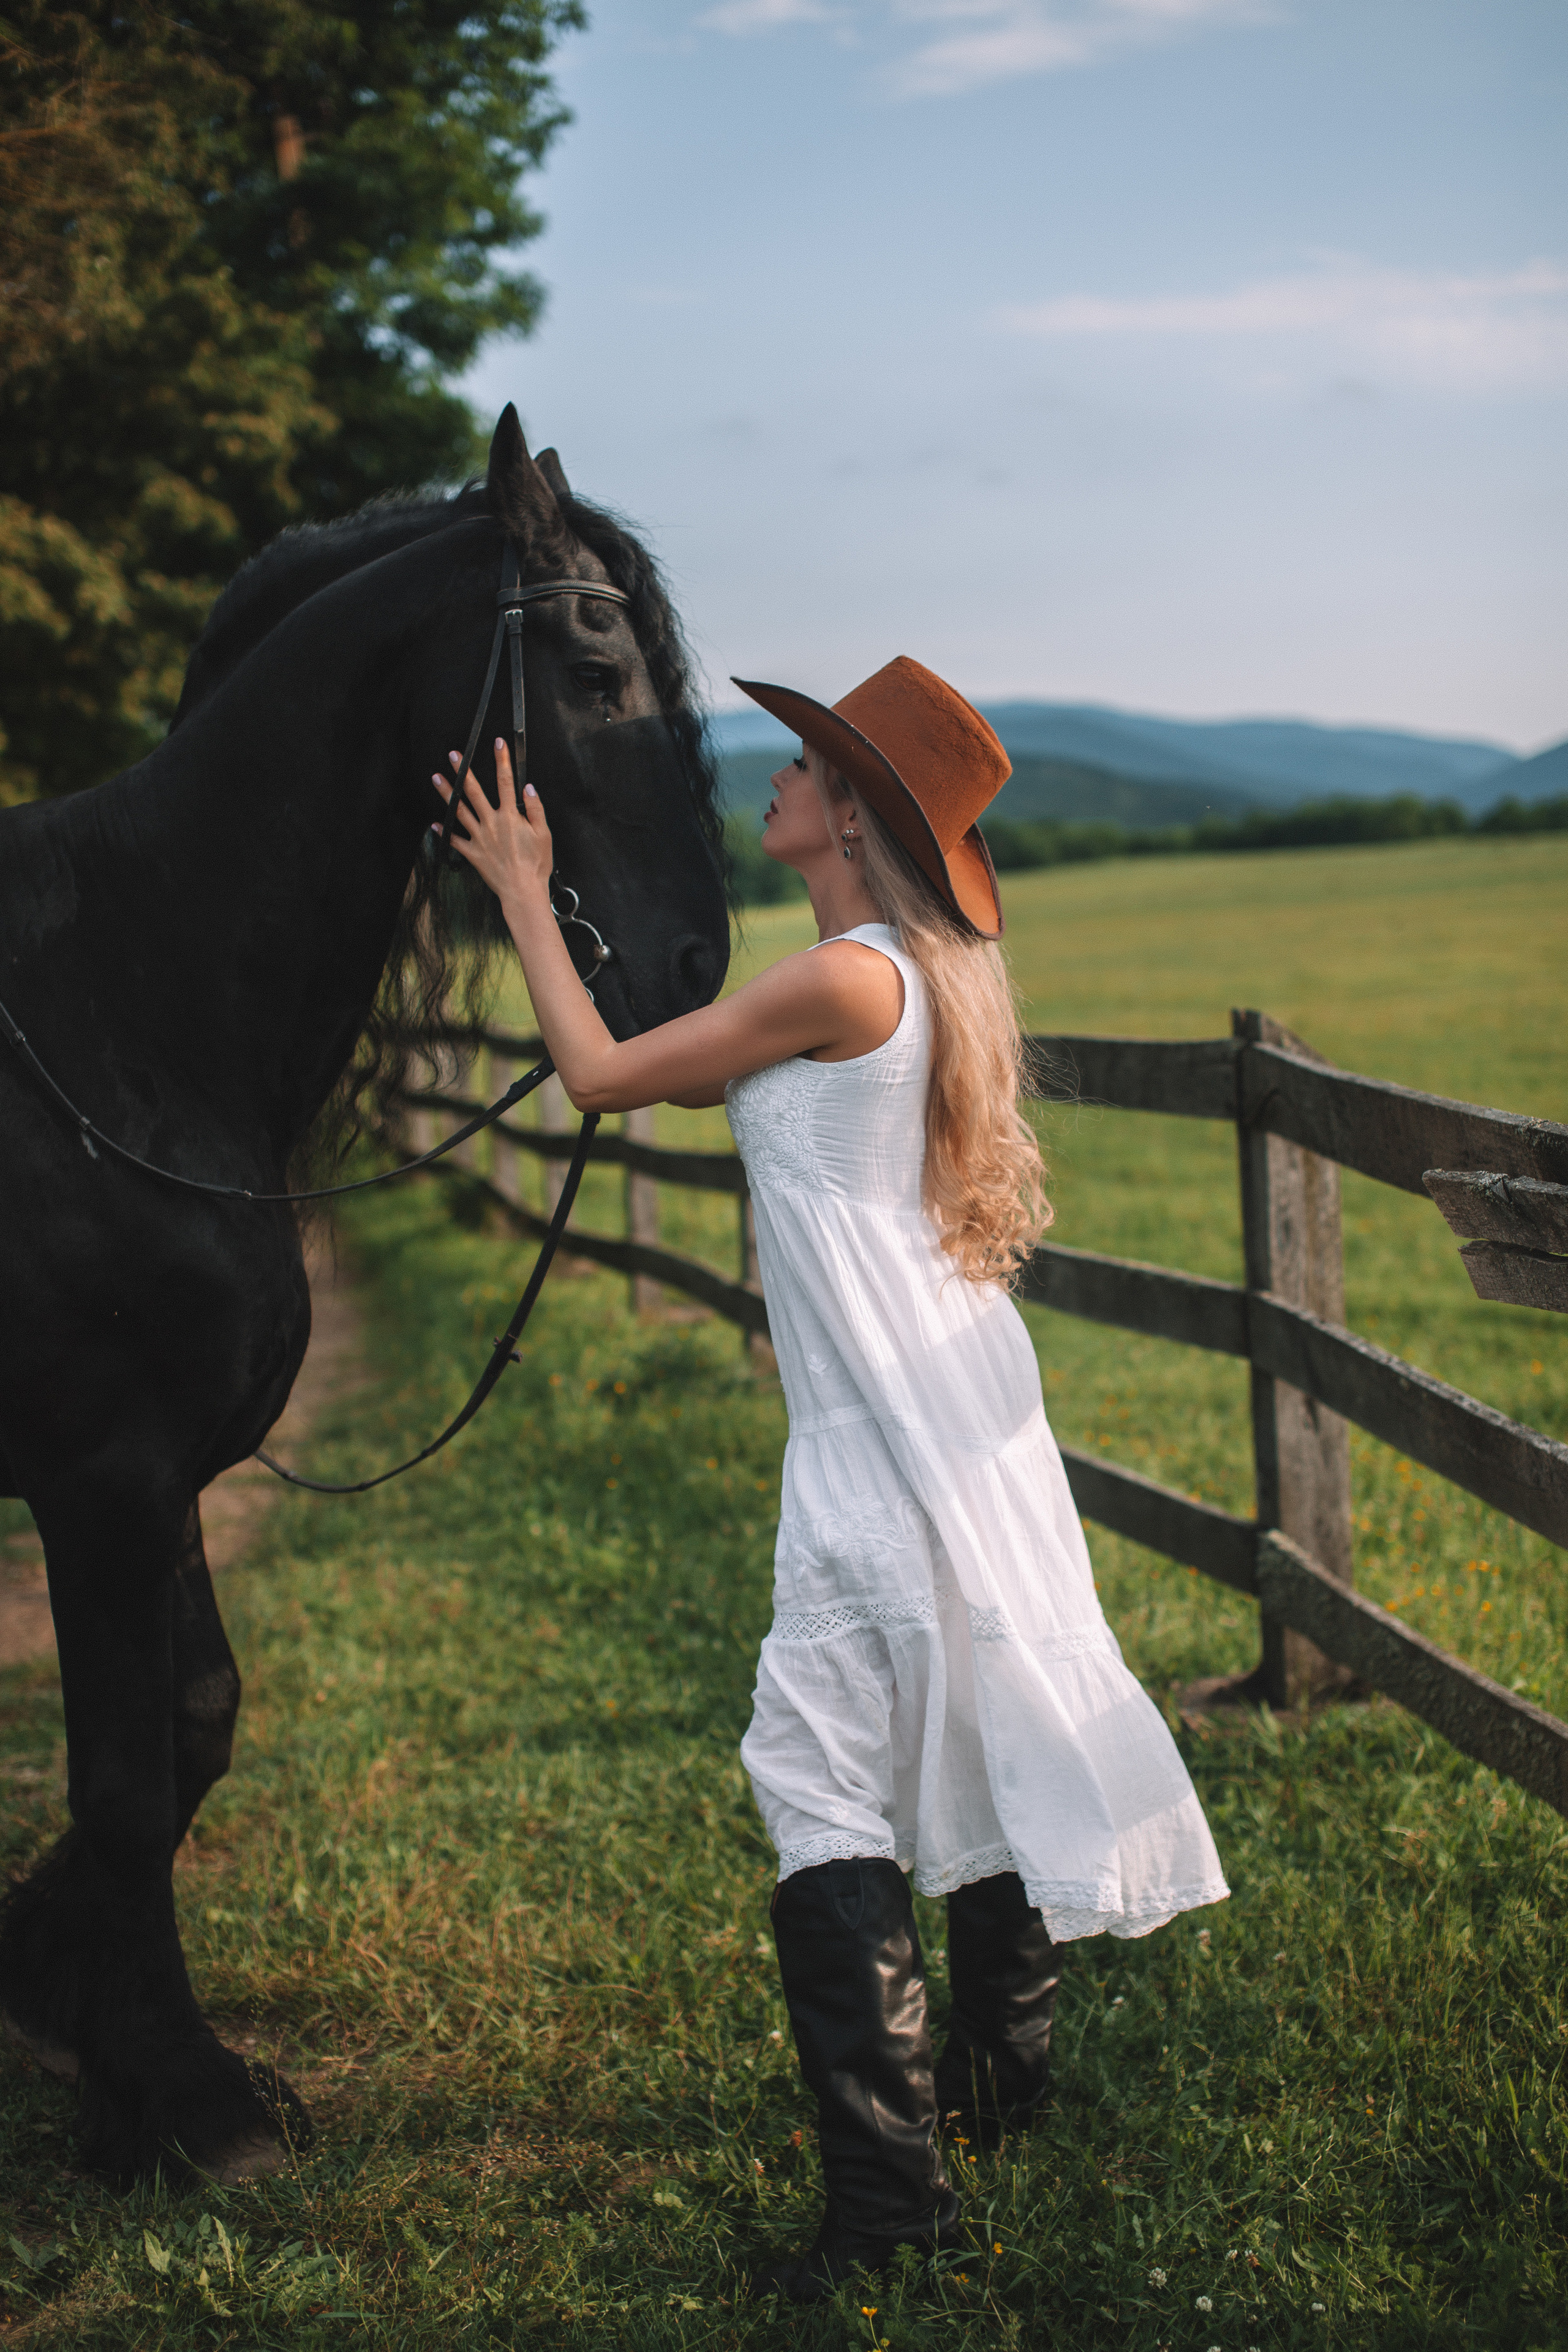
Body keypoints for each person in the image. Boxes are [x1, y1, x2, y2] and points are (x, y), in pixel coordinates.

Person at [434, 655, 1228, 2304]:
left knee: (818, 1771)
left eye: (804, 763)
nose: (777, 779)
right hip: (929, 1402)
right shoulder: (893, 979)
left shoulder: (851, 986)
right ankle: (997, 2092)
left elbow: (596, 1074)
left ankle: (890, 2215)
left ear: (851, 817)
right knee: (963, 1712)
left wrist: (518, 887)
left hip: (883, 1429)